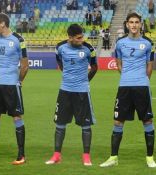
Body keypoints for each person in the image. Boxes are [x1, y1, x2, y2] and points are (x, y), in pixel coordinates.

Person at [100, 12, 156, 168]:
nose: (134, 25)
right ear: (126, 24)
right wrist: (127, 75)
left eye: (136, 22)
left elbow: (150, 66)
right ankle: (113, 157)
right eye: (131, 22)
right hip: (124, 86)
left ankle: (150, 157)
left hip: (142, 87)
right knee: (118, 121)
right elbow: (118, 63)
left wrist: (142, 80)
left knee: (147, 120)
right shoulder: (120, 43)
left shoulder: (147, 43)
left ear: (140, 24)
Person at [45, 24, 98, 166]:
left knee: (86, 125)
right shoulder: (60, 47)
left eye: (82, 36)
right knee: (60, 123)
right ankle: (56, 155)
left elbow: (94, 67)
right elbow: (60, 63)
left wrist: (85, 81)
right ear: (70, 38)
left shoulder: (89, 49)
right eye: (78, 38)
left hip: (82, 91)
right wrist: (69, 77)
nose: (82, 40)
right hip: (65, 90)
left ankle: (86, 156)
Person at [0, 13, 29, 165]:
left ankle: (21, 155)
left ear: (3, 23)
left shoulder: (18, 40)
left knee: (16, 117)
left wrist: (19, 81)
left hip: (11, 84)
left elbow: (25, 65)